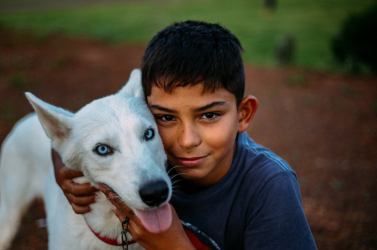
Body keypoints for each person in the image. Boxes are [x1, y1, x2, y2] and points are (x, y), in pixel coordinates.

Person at [52, 20, 317, 249]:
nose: (188, 141)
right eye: (166, 118)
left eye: (209, 115)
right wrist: (62, 166)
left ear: (243, 114)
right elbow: (98, 129)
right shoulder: (147, 169)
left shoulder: (269, 187)